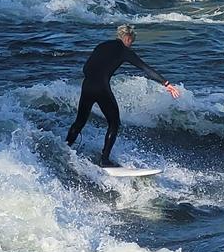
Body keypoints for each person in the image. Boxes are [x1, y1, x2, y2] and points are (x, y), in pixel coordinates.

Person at [66, 25, 180, 167]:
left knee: (80, 121)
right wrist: (166, 83)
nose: (131, 44)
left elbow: (86, 68)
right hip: (101, 88)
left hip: (87, 85)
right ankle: (104, 160)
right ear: (127, 38)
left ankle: (66, 150)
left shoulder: (101, 45)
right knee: (114, 123)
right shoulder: (125, 51)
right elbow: (145, 68)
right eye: (132, 41)